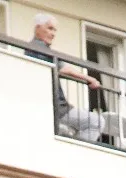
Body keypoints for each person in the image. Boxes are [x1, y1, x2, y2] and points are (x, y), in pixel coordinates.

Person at [29, 14, 104, 143]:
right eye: (50, 28)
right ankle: (79, 153)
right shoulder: (39, 48)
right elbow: (64, 69)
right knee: (96, 121)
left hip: (49, 107)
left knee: (68, 131)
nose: (53, 33)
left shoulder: (35, 48)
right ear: (37, 28)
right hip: (58, 108)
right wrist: (89, 79)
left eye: (54, 30)